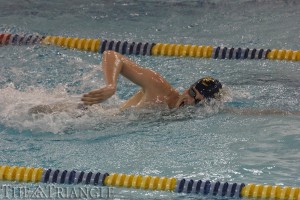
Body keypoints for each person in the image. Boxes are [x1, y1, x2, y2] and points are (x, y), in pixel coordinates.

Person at [80, 50, 222, 111]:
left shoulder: (181, 115)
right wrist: (110, 85)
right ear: (188, 87)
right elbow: (112, 55)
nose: (190, 101)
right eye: (192, 93)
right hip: (84, 114)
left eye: (197, 101)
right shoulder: (159, 88)